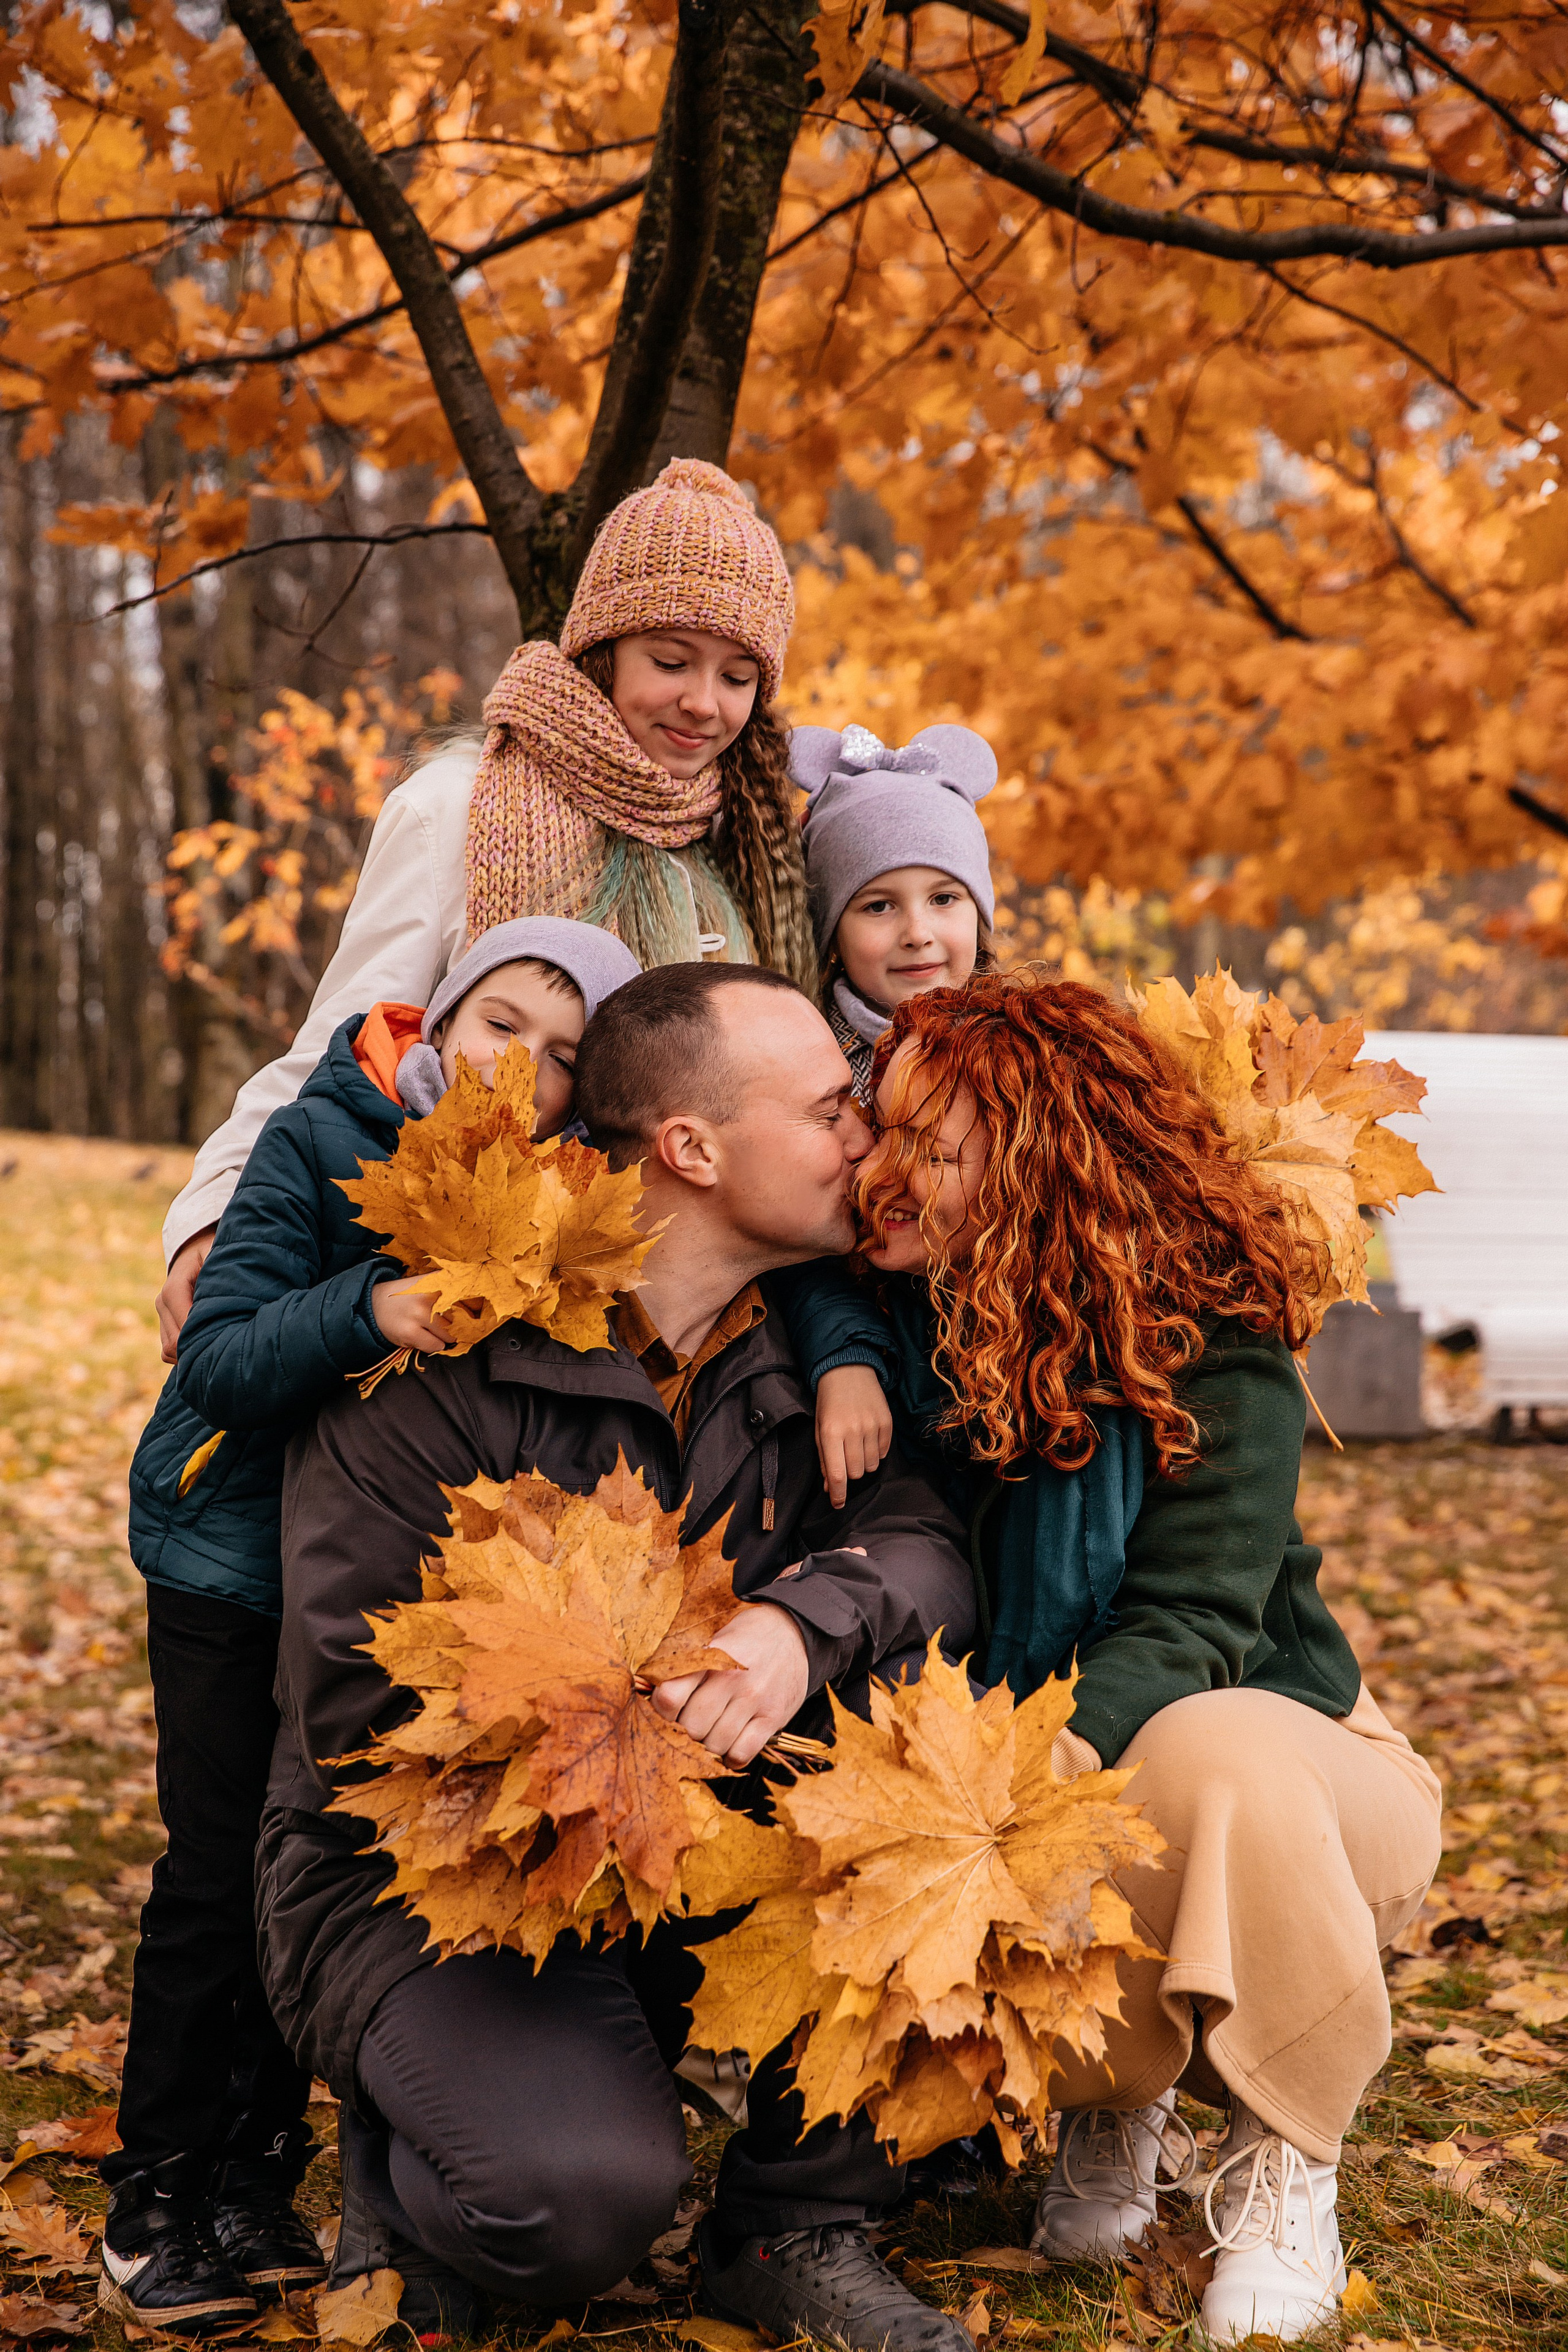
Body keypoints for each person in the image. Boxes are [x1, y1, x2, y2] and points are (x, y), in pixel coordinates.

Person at [255, 964, 979, 2352]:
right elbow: (353, 1686)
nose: (864, 1143)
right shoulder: (465, 1329)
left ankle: (794, 2222)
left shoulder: (803, 1356)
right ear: (690, 1148)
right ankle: (407, 2151)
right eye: (833, 1106)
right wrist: (641, 1716)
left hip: (687, 1849)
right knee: (576, 2206)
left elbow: (928, 1548)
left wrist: (790, 1624)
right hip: (426, 1870)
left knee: (926, 1751)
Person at [776, 972, 1443, 2348]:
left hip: (1290, 1768)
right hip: (1091, 1752)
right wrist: (846, 1356)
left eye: (934, 1150)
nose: (884, 1174)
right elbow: (813, 1286)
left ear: (1033, 1164)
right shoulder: (908, 1312)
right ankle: (1111, 2102)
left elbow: (1191, 1627)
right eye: (879, 1130)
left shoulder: (1207, 1347)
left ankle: (1280, 2155)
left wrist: (1024, 1771)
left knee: (1198, 1746)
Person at [107, 921, 640, 2335]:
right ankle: (156, 2190)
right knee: (219, 1874)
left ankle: (256, 2179)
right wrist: (372, 1306)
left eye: (564, 1052)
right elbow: (218, 1356)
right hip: (232, 1559)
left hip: (375, 1592)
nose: (521, 1066)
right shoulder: (327, 1129)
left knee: (317, 1861)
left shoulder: (556, 1196)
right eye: (499, 1024)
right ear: (439, 1020)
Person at [154, 458, 816, 1366]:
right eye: (670, 661)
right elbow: (344, 1048)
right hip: (466, 1308)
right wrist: (210, 1217)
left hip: (682, 1328)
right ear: (602, 647)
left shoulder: (741, 847)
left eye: (739, 676)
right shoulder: (457, 806)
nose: (704, 703)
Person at [792, 720, 998, 1104]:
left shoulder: (1024, 1057)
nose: (918, 934)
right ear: (832, 929)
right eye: (879, 906)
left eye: (943, 899)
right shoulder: (803, 1063)